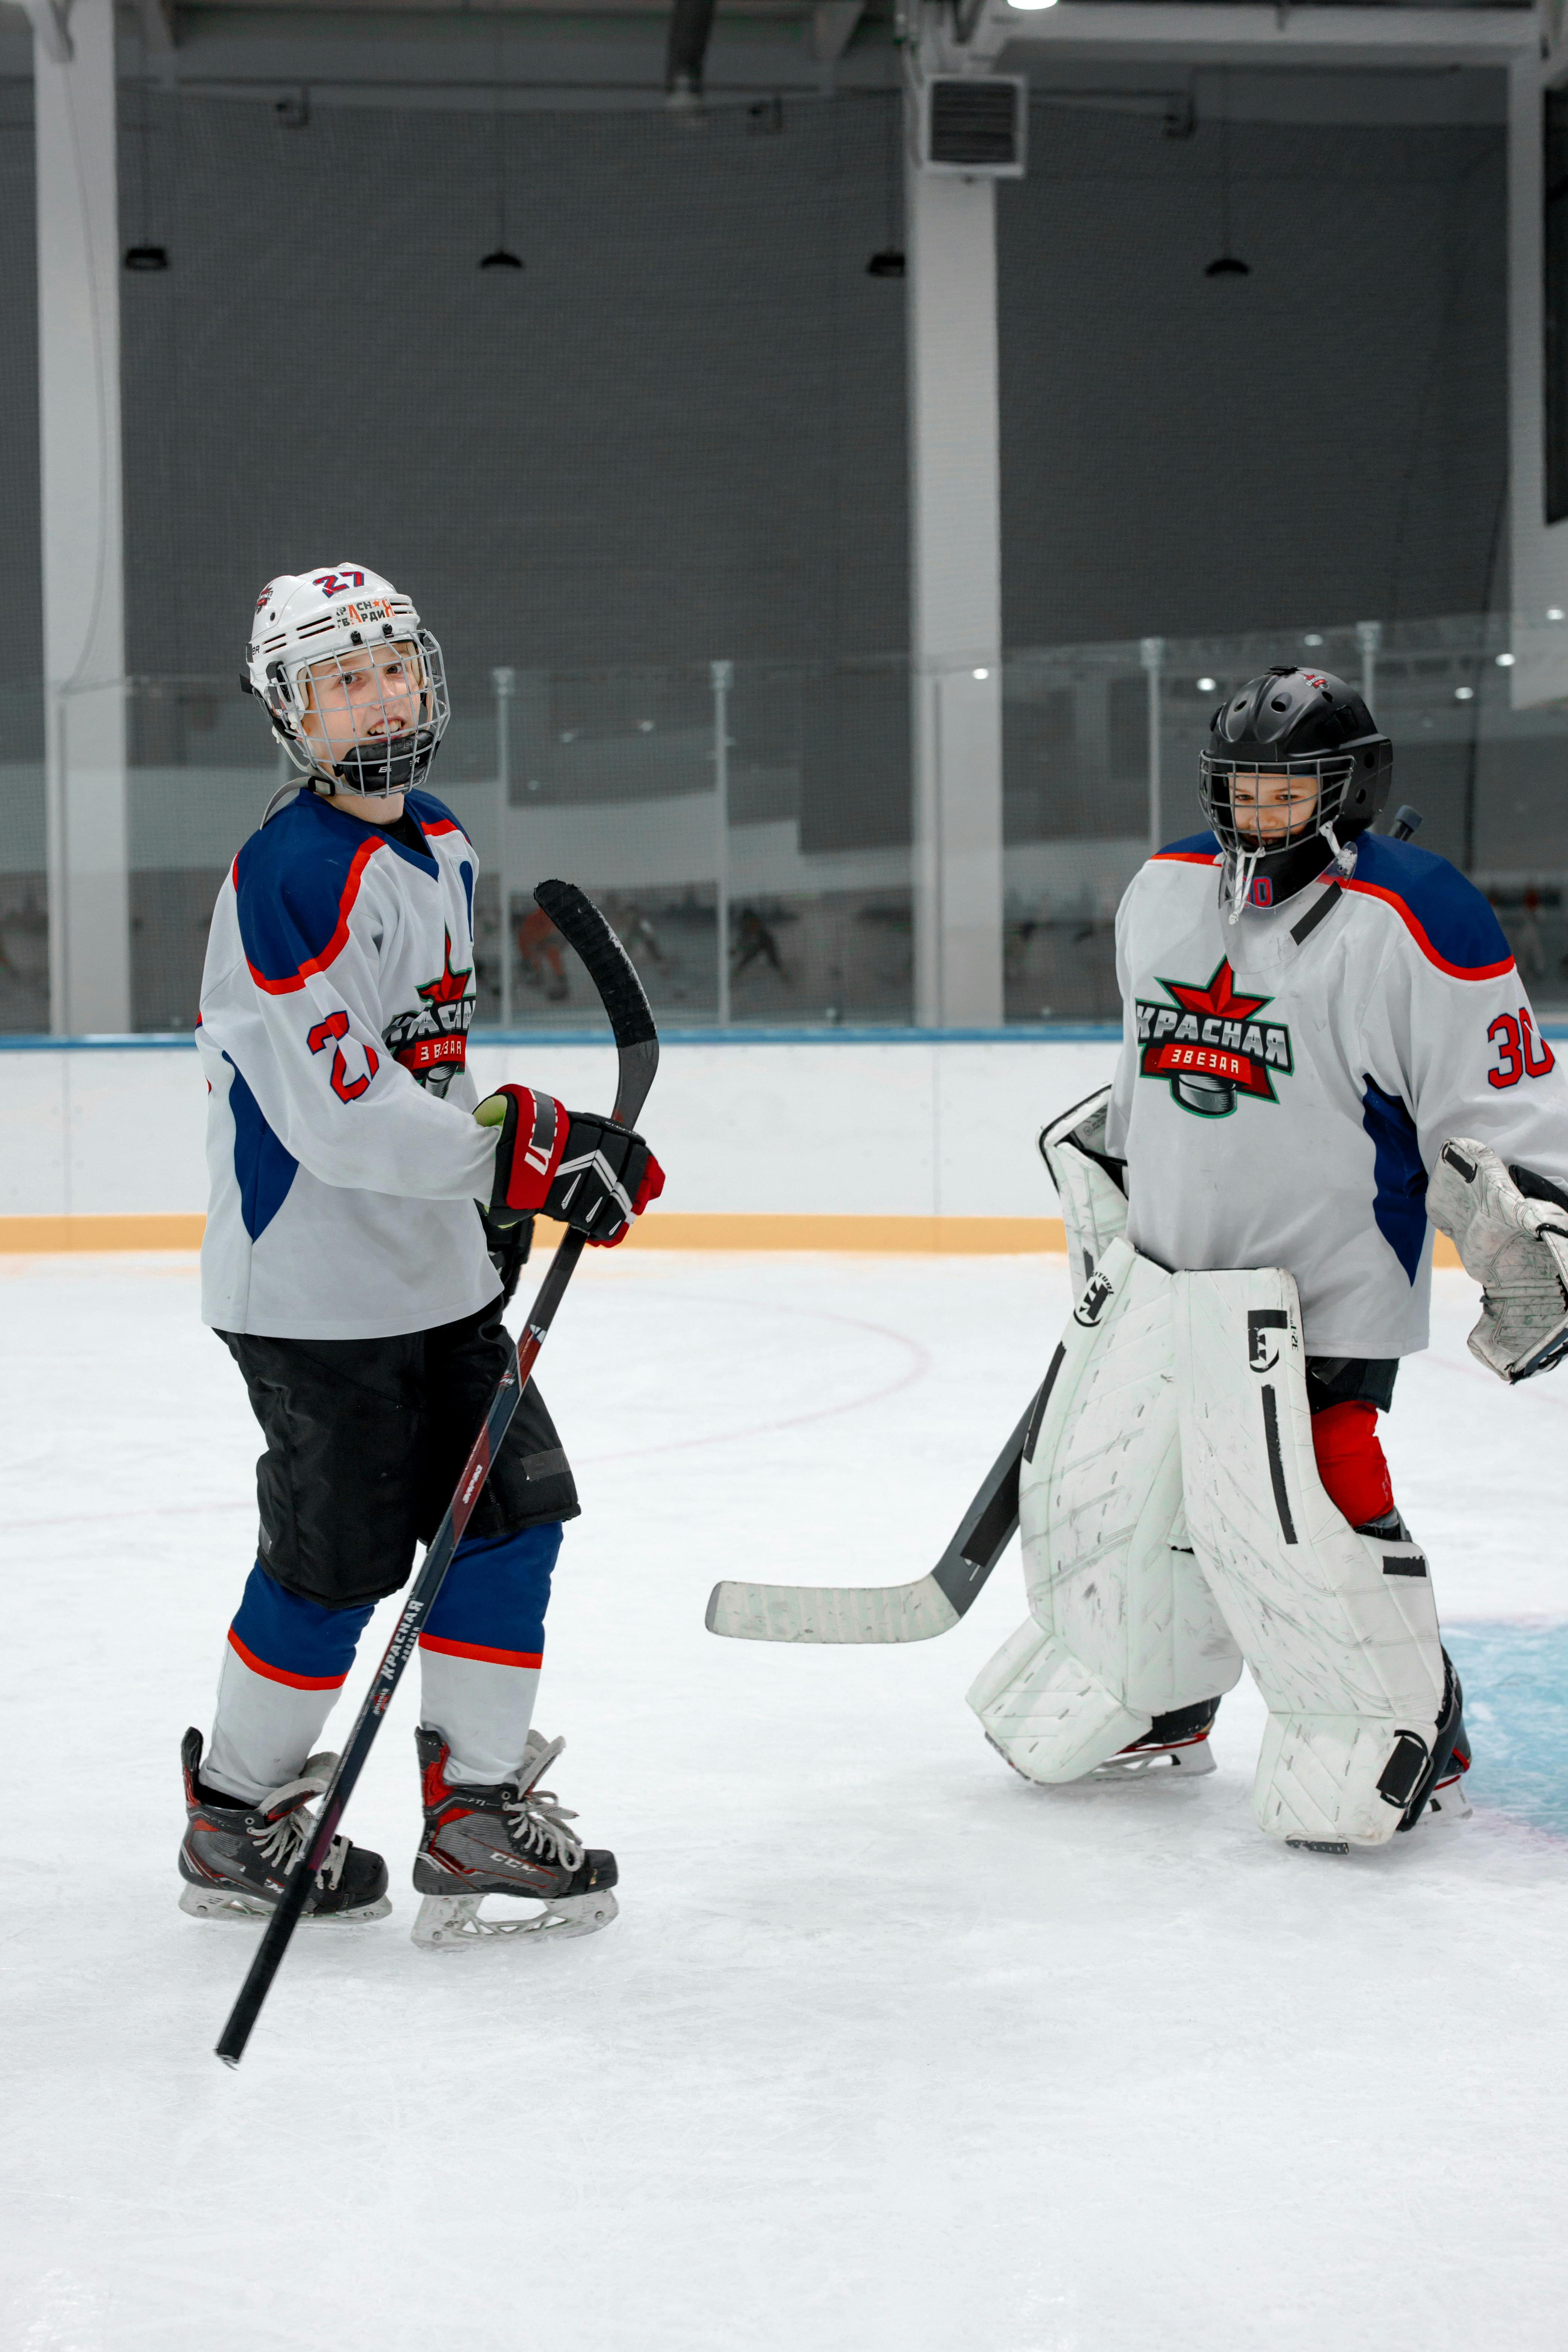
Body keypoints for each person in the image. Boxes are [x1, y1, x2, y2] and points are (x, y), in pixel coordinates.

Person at [968, 664, 1568, 1851]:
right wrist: (1114, 1202)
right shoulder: (1164, 886)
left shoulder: (1418, 912)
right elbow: (1146, 1071)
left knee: (1310, 1493)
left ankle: (1416, 1708)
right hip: (1170, 1266)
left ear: (1348, 790)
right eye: (1240, 789)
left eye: (1286, 793)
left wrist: (1533, 1230)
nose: (1257, 814)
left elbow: (1495, 1101)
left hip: (1327, 1275)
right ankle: (1165, 1693)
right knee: (1144, 1485)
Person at [181, 565, 663, 1945]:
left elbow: (423, 1075)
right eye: (344, 680)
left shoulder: (440, 840)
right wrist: (517, 1151)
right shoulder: (284, 876)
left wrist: (509, 1187)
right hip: (311, 1287)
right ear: (293, 713)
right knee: (332, 1566)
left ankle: (473, 1812)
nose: (380, 695)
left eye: (394, 664)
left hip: (434, 1274)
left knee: (512, 1516)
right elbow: (338, 1115)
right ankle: (235, 1811)